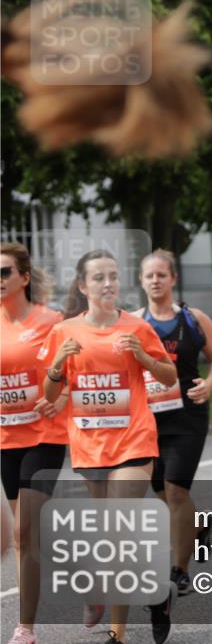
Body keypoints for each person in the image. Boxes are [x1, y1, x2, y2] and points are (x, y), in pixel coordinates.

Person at [40, 249, 178, 644]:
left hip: (134, 439)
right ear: (83, 286)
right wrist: (55, 367)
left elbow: (169, 377)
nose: (108, 284)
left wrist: (144, 359)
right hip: (89, 445)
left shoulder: (137, 327)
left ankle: (117, 635)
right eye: (99, 278)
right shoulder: (64, 332)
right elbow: (50, 391)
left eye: (113, 277)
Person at [132, 250, 212, 596]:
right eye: (149, 276)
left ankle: (179, 571)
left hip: (187, 416)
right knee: (162, 493)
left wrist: (210, 383)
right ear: (141, 281)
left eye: (161, 275)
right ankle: (199, 525)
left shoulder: (193, 318)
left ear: (173, 279)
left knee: (175, 490)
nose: (155, 281)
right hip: (148, 420)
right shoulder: (133, 322)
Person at [2, 243, 67, 644]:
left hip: (44, 434)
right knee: (26, 536)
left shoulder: (51, 321)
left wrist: (58, 396)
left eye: (5, 272)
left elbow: (71, 373)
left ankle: (25, 627)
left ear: (24, 278)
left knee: (25, 529)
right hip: (5, 437)